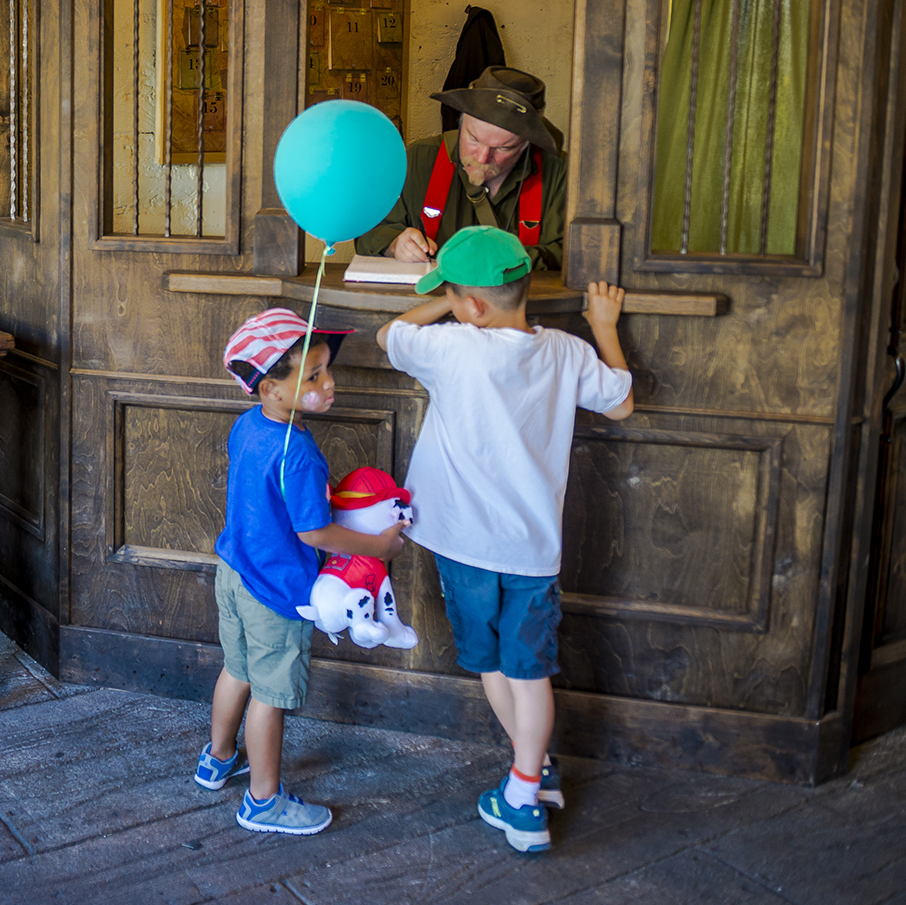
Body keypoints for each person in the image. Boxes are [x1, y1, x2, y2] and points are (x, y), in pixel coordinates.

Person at [374, 227, 633, 853]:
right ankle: (529, 773)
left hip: (462, 547)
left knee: (489, 662)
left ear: (471, 306)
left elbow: (388, 335)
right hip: (532, 552)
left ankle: (525, 795)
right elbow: (621, 403)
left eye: (458, 298)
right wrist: (603, 325)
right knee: (529, 670)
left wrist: (445, 299)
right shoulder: (568, 351)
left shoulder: (452, 347)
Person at [198, 308, 405, 835]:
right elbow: (314, 534)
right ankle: (263, 801)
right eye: (312, 377)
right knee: (270, 692)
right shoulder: (302, 455)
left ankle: (218, 758)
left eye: (326, 370)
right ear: (270, 388)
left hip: (234, 573)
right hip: (276, 592)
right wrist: (378, 546)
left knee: (237, 669)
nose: (328, 384)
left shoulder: (248, 426)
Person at [356, 66, 568, 271]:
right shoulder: (419, 159)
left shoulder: (560, 173)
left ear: (526, 144)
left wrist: (504, 257)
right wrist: (395, 244)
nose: (483, 157)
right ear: (461, 121)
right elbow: (368, 231)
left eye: (503, 148)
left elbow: (573, 254)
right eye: (473, 139)